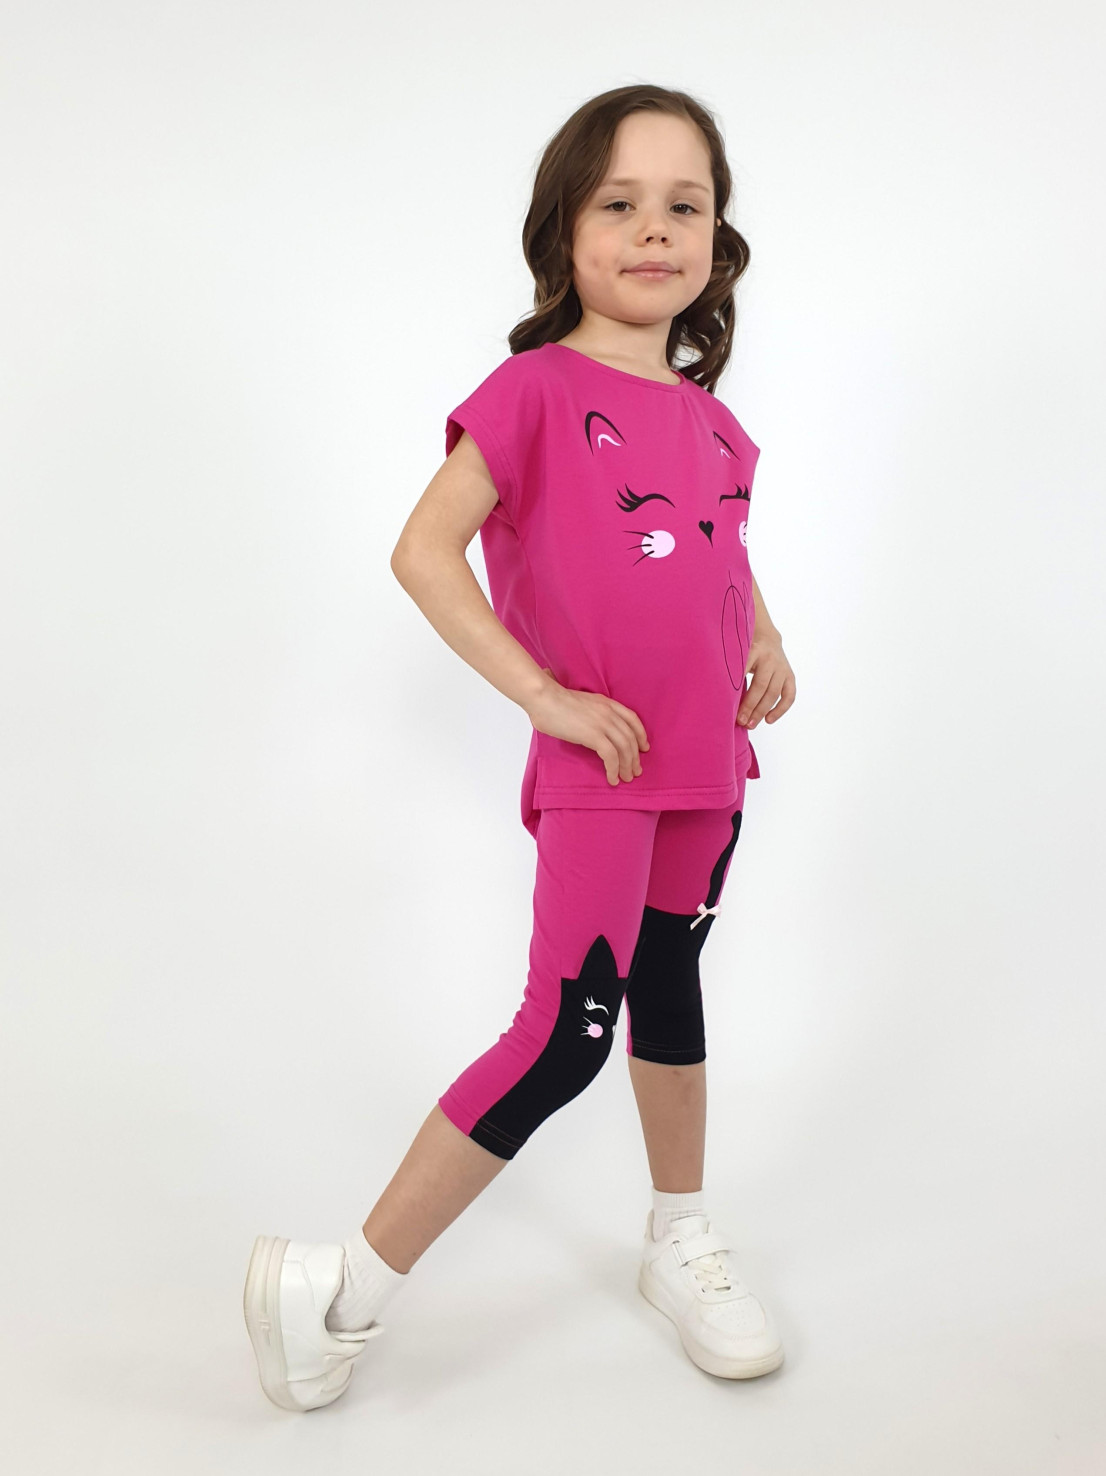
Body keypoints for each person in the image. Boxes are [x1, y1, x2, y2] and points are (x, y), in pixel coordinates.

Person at [243, 82, 797, 1412]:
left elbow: (714, 546)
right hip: (606, 767)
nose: (654, 230)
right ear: (564, 234)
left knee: (671, 990)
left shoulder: (715, 423)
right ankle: (339, 1289)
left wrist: (768, 637)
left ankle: (678, 1236)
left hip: (706, 764)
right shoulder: (534, 391)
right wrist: (543, 696)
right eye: (620, 204)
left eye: (683, 206)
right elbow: (424, 552)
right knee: (565, 1033)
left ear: (717, 242)